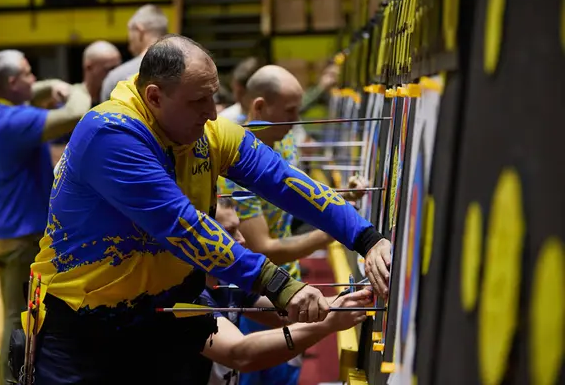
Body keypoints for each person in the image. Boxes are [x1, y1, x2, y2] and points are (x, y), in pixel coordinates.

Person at [30, 35, 391, 384]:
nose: (212, 112)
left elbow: (282, 180)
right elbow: (184, 227)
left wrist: (366, 237)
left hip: (168, 310)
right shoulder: (110, 134)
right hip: (86, 328)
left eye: (213, 96)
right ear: (154, 97)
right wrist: (282, 285)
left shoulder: (207, 133)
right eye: (198, 101)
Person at [216, 65, 362, 385]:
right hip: (254, 295)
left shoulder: (282, 138)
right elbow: (262, 249)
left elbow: (297, 198)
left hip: (289, 289)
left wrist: (340, 201)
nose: (297, 119)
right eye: (290, 111)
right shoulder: (229, 160)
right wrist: (333, 232)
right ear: (259, 107)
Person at [0, 49, 91, 384]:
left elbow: (35, 94)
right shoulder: (16, 122)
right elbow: (75, 113)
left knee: (16, 311)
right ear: (11, 82)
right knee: (17, 317)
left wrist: (48, 84)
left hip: (0, 230)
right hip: (20, 234)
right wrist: (73, 87)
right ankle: (10, 380)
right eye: (28, 74)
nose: (34, 79)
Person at [192, 197, 375, 385]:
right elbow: (239, 354)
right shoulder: (185, 294)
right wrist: (327, 323)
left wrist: (349, 299)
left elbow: (285, 313)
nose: (242, 239)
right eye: (230, 232)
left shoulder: (225, 279)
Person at [50, 41, 122, 165]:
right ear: (89, 68)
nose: (116, 74)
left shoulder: (120, 101)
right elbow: (54, 153)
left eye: (118, 68)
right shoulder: (69, 104)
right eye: (110, 69)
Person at [99, 4, 169, 102]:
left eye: (130, 34)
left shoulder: (117, 78)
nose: (129, 44)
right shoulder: (185, 69)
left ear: (139, 31)